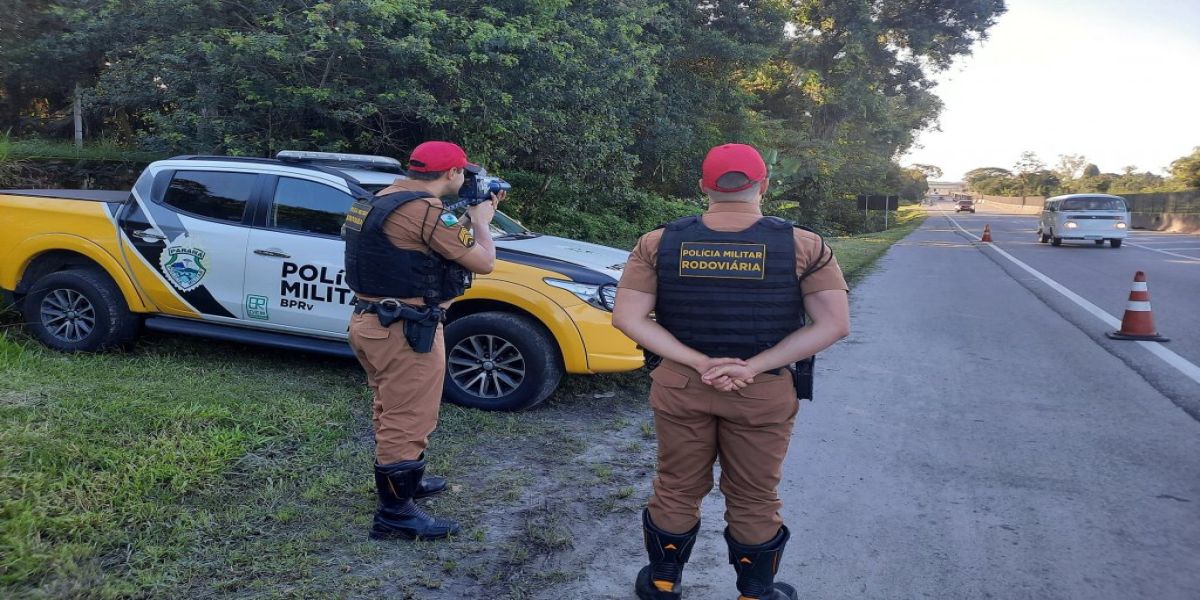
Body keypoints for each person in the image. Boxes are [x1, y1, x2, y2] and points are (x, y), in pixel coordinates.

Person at [612, 143, 851, 599]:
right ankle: (755, 593)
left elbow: (628, 318)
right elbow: (834, 324)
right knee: (755, 496)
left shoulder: (658, 242)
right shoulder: (804, 245)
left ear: (704, 187)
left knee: (677, 486)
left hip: (682, 384)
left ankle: (662, 583)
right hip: (761, 390)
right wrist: (754, 366)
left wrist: (700, 362)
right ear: (764, 185)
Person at [342, 141, 504, 540]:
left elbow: (422, 248)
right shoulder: (425, 210)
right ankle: (395, 515)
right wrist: (481, 220)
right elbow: (483, 261)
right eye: (462, 172)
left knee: (390, 406)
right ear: (450, 173)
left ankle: (406, 483)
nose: (465, 178)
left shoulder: (377, 200)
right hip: (405, 329)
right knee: (409, 416)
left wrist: (465, 218)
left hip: (371, 322)